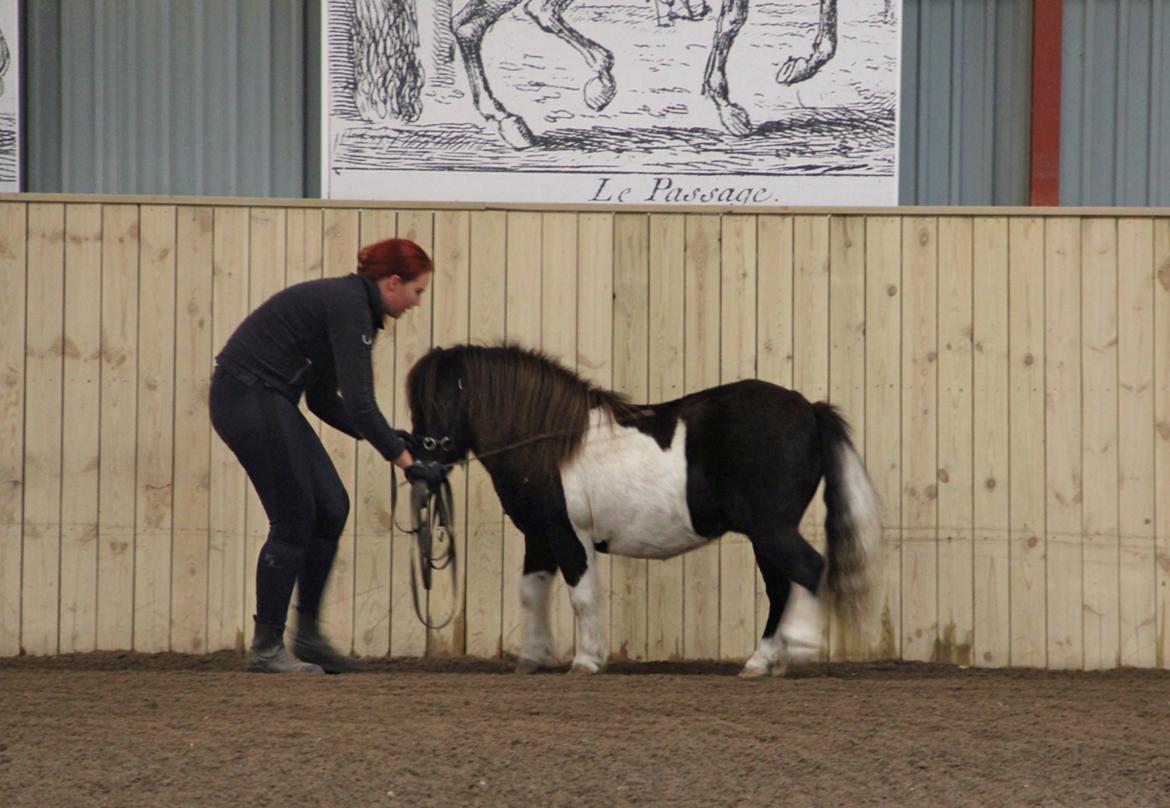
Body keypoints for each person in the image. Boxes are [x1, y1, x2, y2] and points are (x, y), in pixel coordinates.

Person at [210, 237, 438, 673]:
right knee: (294, 516)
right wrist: (405, 462)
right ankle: (266, 647)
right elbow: (359, 403)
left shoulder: (354, 306)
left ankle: (309, 638)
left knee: (331, 507)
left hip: (262, 398)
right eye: (417, 291)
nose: (416, 302)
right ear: (393, 282)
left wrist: (394, 440)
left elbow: (322, 400)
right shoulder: (352, 308)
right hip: (249, 396)